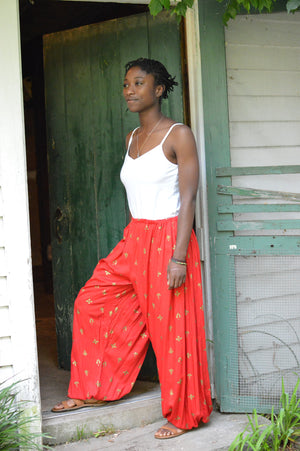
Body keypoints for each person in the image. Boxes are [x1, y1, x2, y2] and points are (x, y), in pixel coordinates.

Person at [52, 57, 212, 439]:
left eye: (138, 83)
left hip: (169, 239)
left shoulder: (178, 134)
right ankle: (94, 389)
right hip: (136, 237)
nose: (129, 90)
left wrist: (177, 257)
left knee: (170, 329)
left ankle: (184, 414)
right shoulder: (131, 138)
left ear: (158, 90)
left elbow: (189, 199)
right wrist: (133, 238)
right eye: (126, 84)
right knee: (91, 302)